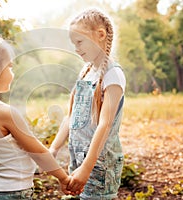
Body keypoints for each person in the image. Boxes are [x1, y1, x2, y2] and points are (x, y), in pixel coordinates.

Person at [0, 27, 80, 199]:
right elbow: (38, 153)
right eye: (10, 66)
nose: (12, 72)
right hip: (12, 193)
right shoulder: (4, 113)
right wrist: (64, 178)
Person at [49, 8, 126, 199]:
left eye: (79, 41)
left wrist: (86, 169)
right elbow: (70, 116)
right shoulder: (86, 71)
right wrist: (53, 149)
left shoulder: (113, 74)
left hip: (99, 165)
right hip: (80, 159)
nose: (76, 48)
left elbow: (105, 124)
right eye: (73, 43)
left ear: (100, 35)